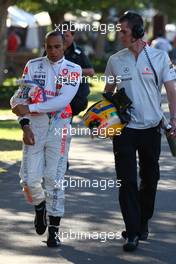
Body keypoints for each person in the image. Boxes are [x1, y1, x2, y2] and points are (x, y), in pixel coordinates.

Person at [104, 11, 176, 252]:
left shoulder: (159, 57)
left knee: (150, 178)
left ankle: (143, 219)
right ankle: (132, 232)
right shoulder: (115, 59)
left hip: (151, 129)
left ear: (137, 31)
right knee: (126, 181)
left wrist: (173, 121)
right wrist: (109, 109)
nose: (120, 35)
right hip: (124, 129)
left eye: (123, 31)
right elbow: (108, 91)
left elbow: (171, 90)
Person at [11, 30, 82, 247]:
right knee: (30, 179)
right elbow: (18, 100)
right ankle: (40, 205)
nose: (52, 51)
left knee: (54, 179)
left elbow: (63, 101)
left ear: (65, 47)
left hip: (60, 125)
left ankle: (54, 230)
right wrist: (24, 124)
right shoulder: (33, 65)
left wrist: (30, 107)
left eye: (57, 47)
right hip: (35, 126)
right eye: (49, 46)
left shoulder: (73, 69)